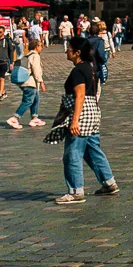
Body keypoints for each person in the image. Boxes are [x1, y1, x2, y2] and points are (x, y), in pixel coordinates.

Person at [55, 36, 118, 203]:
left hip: (82, 114)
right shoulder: (89, 67)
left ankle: (76, 191)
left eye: (68, 49)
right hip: (93, 113)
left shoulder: (78, 71)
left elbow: (80, 95)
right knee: (92, 150)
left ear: (77, 53)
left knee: (73, 153)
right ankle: (108, 182)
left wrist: (74, 121)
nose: (66, 51)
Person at [6, 38, 46, 129]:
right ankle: (15, 118)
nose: (42, 48)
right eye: (41, 46)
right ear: (37, 46)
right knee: (28, 101)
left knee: (36, 99)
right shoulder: (35, 56)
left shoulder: (27, 55)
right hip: (30, 83)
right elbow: (36, 70)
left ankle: (34, 118)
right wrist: (41, 81)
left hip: (27, 82)